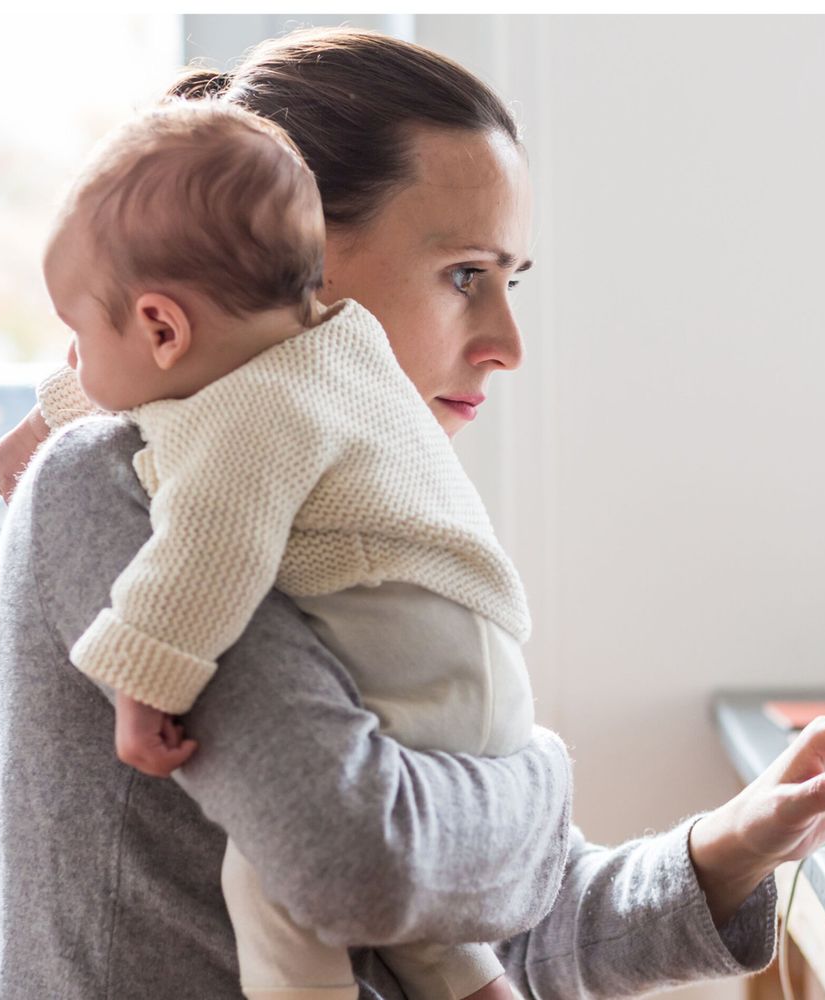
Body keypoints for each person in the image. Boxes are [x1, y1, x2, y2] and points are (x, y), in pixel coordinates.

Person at [0, 27, 825, 999]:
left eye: (511, 281)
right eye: (465, 275)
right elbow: (361, 863)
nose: (507, 342)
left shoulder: (357, 504)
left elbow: (498, 923)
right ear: (302, 272)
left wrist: (732, 842)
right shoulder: (121, 487)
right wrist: (535, 772)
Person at [35, 97, 536, 1000]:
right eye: (466, 275)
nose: (509, 347)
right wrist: (59, 414)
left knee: (269, 886)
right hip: (465, 660)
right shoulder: (333, 353)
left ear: (159, 325)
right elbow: (169, 399)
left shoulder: (253, 419)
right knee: (420, 914)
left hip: (417, 652)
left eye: (76, 344)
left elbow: (209, 541)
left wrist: (144, 682)